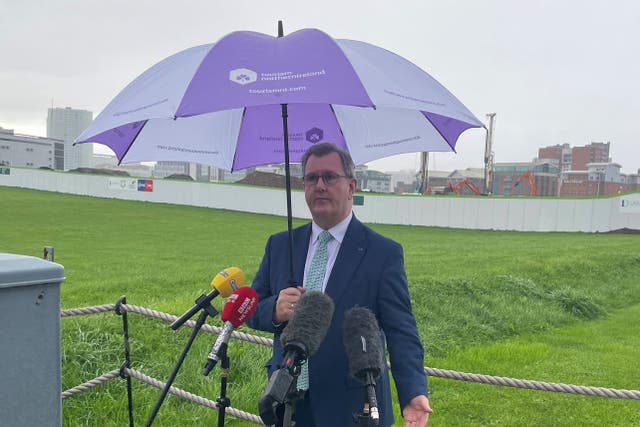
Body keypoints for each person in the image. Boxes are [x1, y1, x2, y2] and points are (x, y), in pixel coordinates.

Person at [247, 142, 432, 427]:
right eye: (311, 178)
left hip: (353, 407)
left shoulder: (382, 253)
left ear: (351, 186)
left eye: (329, 177)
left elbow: (401, 330)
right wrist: (274, 309)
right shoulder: (281, 245)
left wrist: (413, 392)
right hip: (286, 403)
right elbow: (252, 308)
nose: (319, 185)